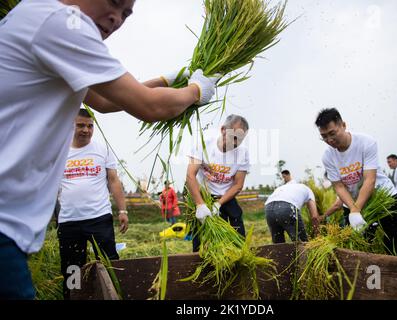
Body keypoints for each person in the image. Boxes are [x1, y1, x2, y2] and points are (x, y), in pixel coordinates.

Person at [0, 0, 219, 299]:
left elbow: (104, 101)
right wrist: (195, 91)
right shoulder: (63, 23)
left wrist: (166, 80)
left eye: (127, 13)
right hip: (7, 225)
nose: (117, 18)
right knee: (71, 274)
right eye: (114, 2)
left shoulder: (36, 16)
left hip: (29, 226)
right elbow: (148, 105)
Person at [315, 108, 397, 257]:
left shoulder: (366, 142)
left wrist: (355, 210)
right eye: (324, 137)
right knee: (358, 249)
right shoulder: (328, 156)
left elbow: (370, 179)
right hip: (352, 202)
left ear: (343, 125)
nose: (329, 140)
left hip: (384, 198)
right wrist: (353, 209)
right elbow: (339, 186)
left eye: (332, 133)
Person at [57, 108, 128, 299]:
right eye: (80, 125)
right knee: (72, 268)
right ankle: (74, 296)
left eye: (90, 126)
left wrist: (122, 210)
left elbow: (113, 180)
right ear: (70, 125)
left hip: (99, 218)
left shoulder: (102, 148)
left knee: (109, 262)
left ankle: (115, 294)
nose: (86, 130)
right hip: (69, 221)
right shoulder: (59, 151)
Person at [186, 115, 250, 252]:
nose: (236, 143)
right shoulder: (203, 145)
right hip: (205, 196)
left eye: (240, 140)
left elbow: (238, 185)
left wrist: (219, 203)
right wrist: (200, 204)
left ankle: (239, 258)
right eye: (233, 138)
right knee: (201, 238)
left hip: (226, 196)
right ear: (223, 130)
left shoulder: (243, 153)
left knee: (238, 234)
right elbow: (190, 175)